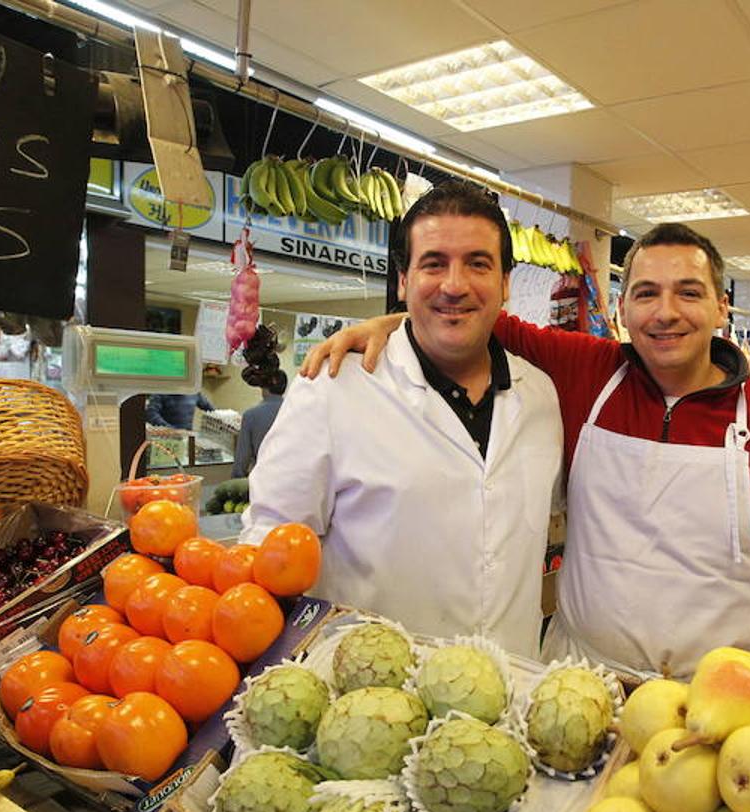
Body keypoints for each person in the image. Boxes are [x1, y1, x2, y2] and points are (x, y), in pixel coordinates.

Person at [303, 222, 750, 676]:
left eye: (690, 292)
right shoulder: (586, 372)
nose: (666, 312)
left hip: (720, 696)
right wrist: (388, 323)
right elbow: (473, 317)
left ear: (721, 308)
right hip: (581, 681)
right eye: (647, 293)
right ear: (623, 310)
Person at [240, 181, 563, 657]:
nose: (454, 285)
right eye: (434, 263)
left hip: (509, 697)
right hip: (370, 705)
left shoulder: (541, 397)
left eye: (478, 263)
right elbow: (268, 550)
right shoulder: (331, 388)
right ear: (403, 281)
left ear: (505, 283)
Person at [232, 375, 286, 477]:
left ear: (263, 387)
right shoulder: (295, 412)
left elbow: (242, 459)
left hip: (263, 479)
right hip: (293, 480)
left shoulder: (251, 415)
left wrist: (236, 481)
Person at [146, 392, 213, 430]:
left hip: (187, 437)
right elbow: (151, 413)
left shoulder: (194, 392)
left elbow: (211, 410)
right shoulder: (161, 392)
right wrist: (169, 428)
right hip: (166, 437)